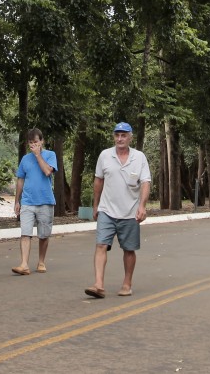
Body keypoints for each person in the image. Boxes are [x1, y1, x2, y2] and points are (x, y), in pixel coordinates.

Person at [85, 122, 151, 299]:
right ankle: (98, 284)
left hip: (130, 212)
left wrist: (142, 206)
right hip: (107, 210)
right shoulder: (105, 156)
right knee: (100, 245)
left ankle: (127, 283)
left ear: (130, 137)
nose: (120, 138)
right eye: (117, 135)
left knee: (129, 249)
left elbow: (145, 183)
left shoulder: (139, 157)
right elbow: (98, 181)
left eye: (123, 135)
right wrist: (96, 205)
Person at [12, 128, 57, 276]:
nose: (33, 145)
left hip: (45, 201)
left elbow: (47, 171)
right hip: (27, 201)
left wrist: (38, 155)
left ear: (42, 141)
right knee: (25, 233)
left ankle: (41, 261)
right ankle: (24, 264)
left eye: (36, 142)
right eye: (31, 143)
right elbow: (20, 180)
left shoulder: (50, 155)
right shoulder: (25, 159)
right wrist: (17, 201)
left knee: (43, 235)